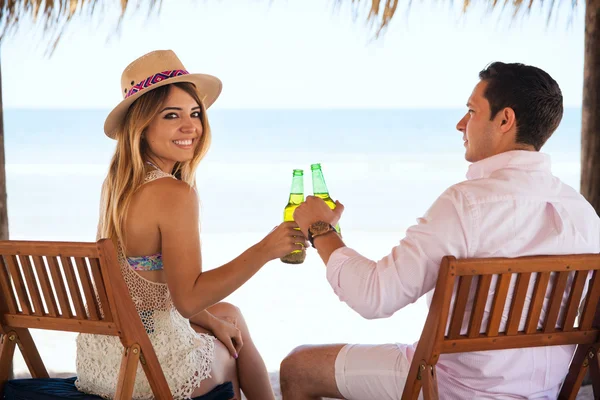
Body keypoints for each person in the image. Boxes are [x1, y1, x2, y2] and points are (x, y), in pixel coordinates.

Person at [280, 62, 600, 399]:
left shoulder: (465, 205)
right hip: (546, 391)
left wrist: (320, 230)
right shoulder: (583, 214)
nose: (460, 124)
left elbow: (374, 297)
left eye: (472, 112)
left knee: (297, 367)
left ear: (505, 120)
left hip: (452, 389)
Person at [75, 50, 305, 400]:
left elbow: (148, 291)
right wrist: (265, 250)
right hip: (147, 371)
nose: (191, 127)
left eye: (195, 113)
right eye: (172, 115)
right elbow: (189, 298)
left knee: (230, 317)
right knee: (234, 354)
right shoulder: (172, 193)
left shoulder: (118, 185)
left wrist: (211, 321)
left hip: (103, 364)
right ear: (142, 126)